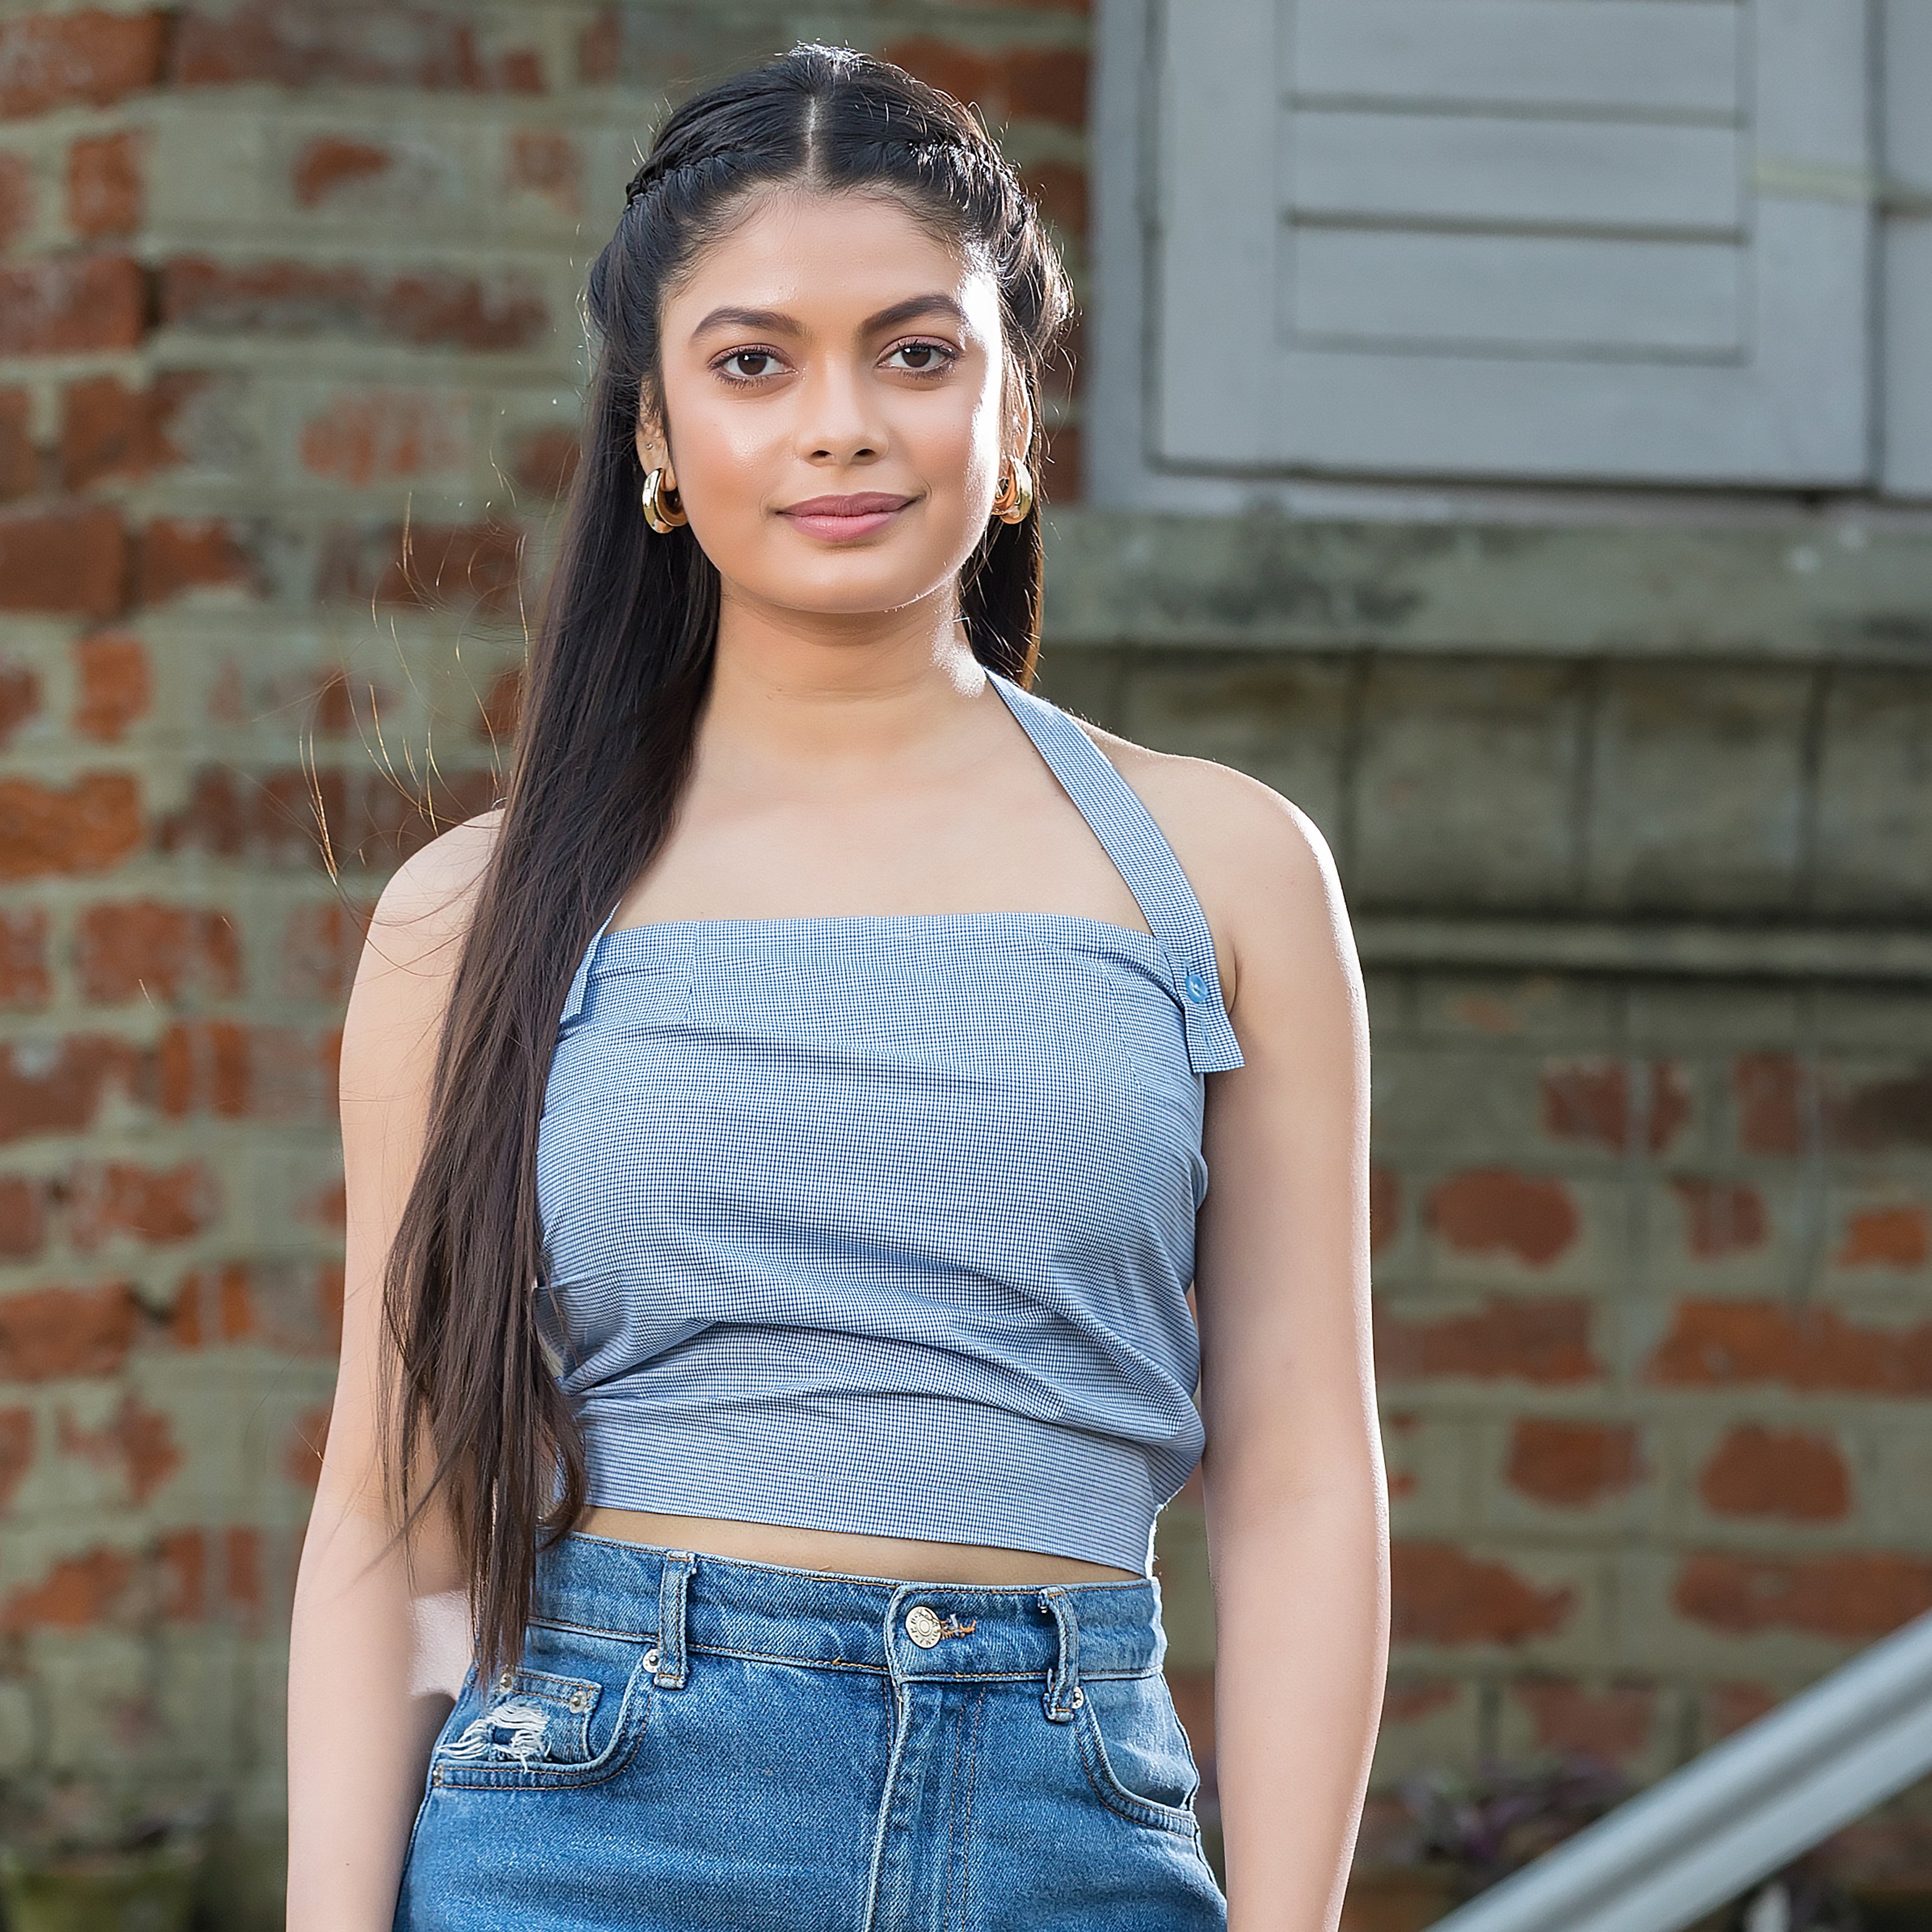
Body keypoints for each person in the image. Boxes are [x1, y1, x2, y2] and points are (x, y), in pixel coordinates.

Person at [285, 41, 1386, 1932]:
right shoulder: (470, 918)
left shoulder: (1224, 868)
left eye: (916, 352)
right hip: (591, 1827)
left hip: (1069, 1829)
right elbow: (400, 1510)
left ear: (1015, 411)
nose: (841, 426)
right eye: (753, 363)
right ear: (653, 435)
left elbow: (1300, 1488)